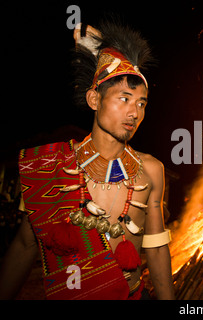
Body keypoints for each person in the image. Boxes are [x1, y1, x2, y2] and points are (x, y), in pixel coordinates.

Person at [0, 20, 175, 300]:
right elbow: (24, 245)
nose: (135, 112)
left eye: (141, 103)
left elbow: (155, 247)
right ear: (94, 99)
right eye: (125, 98)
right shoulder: (51, 166)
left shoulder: (151, 170)